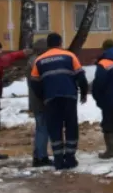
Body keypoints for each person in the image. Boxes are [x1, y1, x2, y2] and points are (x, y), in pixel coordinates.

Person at [29, 33, 89, 170]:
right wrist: (84, 93)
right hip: (69, 97)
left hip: (51, 99)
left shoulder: (39, 60)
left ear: (48, 45)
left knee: (54, 127)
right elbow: (81, 77)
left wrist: (43, 96)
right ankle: (70, 158)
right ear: (60, 43)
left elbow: (34, 83)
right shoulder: (70, 56)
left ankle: (58, 160)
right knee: (71, 126)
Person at [26, 37, 52, 167]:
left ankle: (39, 155)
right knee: (43, 129)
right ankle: (40, 157)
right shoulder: (36, 62)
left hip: (36, 99)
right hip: (40, 100)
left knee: (41, 128)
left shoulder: (33, 60)